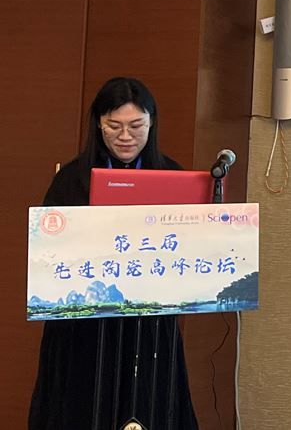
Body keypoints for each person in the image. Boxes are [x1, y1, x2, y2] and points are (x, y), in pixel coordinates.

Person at [29, 77, 199, 429]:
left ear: (151, 123)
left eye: (136, 126)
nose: (125, 136)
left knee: (147, 402)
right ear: (98, 124)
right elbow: (49, 253)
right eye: (114, 125)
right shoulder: (70, 179)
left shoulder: (172, 175)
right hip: (83, 323)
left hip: (148, 323)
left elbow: (188, 248)